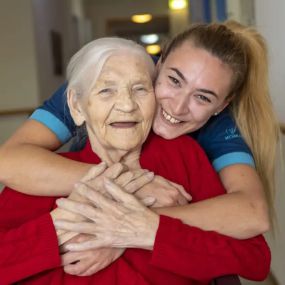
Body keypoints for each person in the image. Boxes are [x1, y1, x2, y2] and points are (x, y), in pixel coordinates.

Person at [0, 37, 270, 285]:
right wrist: (55, 231)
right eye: (106, 91)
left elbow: (255, 257)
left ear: (153, 92)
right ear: (76, 106)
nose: (127, 105)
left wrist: (146, 231)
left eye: (139, 89)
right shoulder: (39, 175)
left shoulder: (184, 157)